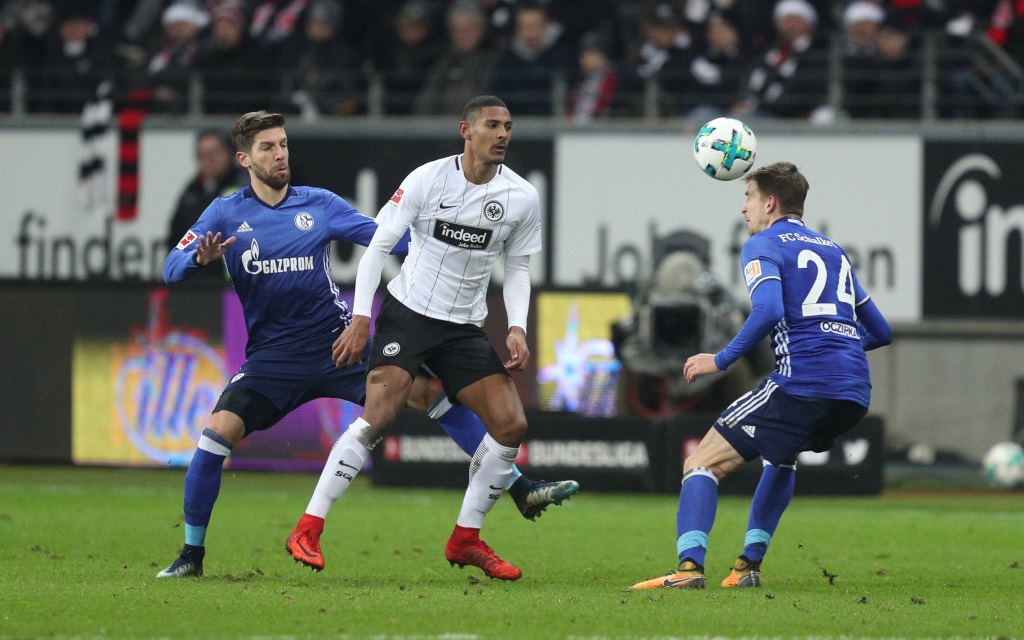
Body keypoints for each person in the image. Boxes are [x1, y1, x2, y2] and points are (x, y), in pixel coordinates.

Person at [156, 110, 577, 578]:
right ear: (244, 159)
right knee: (215, 439)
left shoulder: (318, 204)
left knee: (430, 395)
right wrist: (198, 257)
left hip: (338, 347)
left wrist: (444, 237)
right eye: (267, 148)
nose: (280, 155)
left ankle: (518, 489)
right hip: (272, 360)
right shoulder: (225, 213)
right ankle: (191, 554)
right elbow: (170, 269)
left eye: (283, 145)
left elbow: (388, 239)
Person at [292, 96, 542, 582]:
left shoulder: (522, 197)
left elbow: (517, 268)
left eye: (508, 126)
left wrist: (516, 325)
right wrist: (362, 317)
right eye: (492, 125)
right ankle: (309, 526)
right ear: (465, 130)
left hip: (463, 327)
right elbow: (379, 245)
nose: (503, 134)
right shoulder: (427, 179)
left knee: (511, 425)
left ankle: (465, 539)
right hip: (409, 314)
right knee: (379, 414)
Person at [629, 161, 892, 590]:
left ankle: (689, 570)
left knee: (701, 463)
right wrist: (837, 348)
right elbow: (881, 331)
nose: (742, 209)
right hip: (854, 392)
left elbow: (768, 310)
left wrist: (721, 359)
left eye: (747, 198)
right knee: (782, 455)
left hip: (802, 384)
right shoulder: (833, 250)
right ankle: (747, 567)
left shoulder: (763, 245)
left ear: (769, 203)